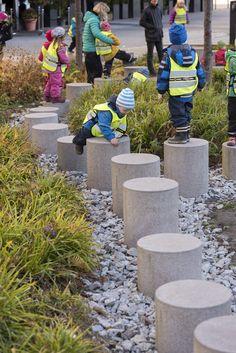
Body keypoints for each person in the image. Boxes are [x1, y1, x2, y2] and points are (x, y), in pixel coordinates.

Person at [157, 24, 206, 144]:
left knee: (177, 113)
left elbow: (163, 74)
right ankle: (186, 134)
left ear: (171, 38)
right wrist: (201, 85)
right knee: (186, 111)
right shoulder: (193, 53)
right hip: (190, 90)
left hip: (176, 92)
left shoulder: (168, 55)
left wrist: (161, 90)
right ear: (185, 37)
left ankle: (181, 136)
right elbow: (199, 71)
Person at [72, 88, 135, 154]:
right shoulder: (106, 112)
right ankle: (78, 143)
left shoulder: (122, 112)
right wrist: (111, 138)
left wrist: (120, 134)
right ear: (118, 105)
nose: (127, 112)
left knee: (106, 130)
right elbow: (104, 126)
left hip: (104, 127)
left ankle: (105, 134)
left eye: (129, 110)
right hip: (91, 124)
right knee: (83, 135)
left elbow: (122, 125)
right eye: (125, 110)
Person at [83, 2, 113, 84]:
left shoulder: (92, 18)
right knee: (96, 73)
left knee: (93, 73)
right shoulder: (93, 20)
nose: (106, 14)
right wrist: (110, 40)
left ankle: (90, 91)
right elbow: (96, 33)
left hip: (90, 50)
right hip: (91, 50)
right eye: (106, 12)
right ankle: (92, 92)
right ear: (102, 11)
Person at [42, 26, 70, 103]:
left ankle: (47, 95)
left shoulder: (52, 44)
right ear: (62, 36)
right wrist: (68, 61)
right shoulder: (60, 47)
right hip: (56, 68)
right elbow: (63, 58)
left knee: (50, 82)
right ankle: (56, 97)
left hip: (49, 67)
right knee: (56, 83)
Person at [139, 0, 163, 77]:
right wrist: (152, 27)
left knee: (161, 54)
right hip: (150, 35)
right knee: (150, 54)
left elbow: (160, 20)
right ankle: (151, 71)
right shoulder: (146, 10)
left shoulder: (159, 9)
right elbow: (142, 22)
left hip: (159, 35)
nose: (155, 1)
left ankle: (163, 70)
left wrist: (159, 29)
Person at [224, 48, 236, 146]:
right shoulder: (232, 58)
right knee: (233, 115)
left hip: (233, 93)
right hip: (233, 94)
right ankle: (232, 138)